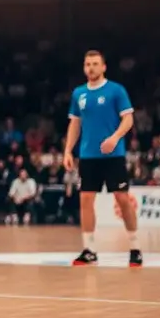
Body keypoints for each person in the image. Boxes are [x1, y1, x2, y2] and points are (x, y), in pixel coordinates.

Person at [63, 50, 140, 267]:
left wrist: (115, 138)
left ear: (104, 67)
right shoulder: (79, 93)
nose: (91, 68)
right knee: (85, 200)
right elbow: (75, 124)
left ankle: (135, 247)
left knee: (122, 199)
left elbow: (128, 119)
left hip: (113, 156)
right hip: (88, 157)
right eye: (88, 64)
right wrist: (68, 150)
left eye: (95, 64)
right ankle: (89, 250)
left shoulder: (116, 90)